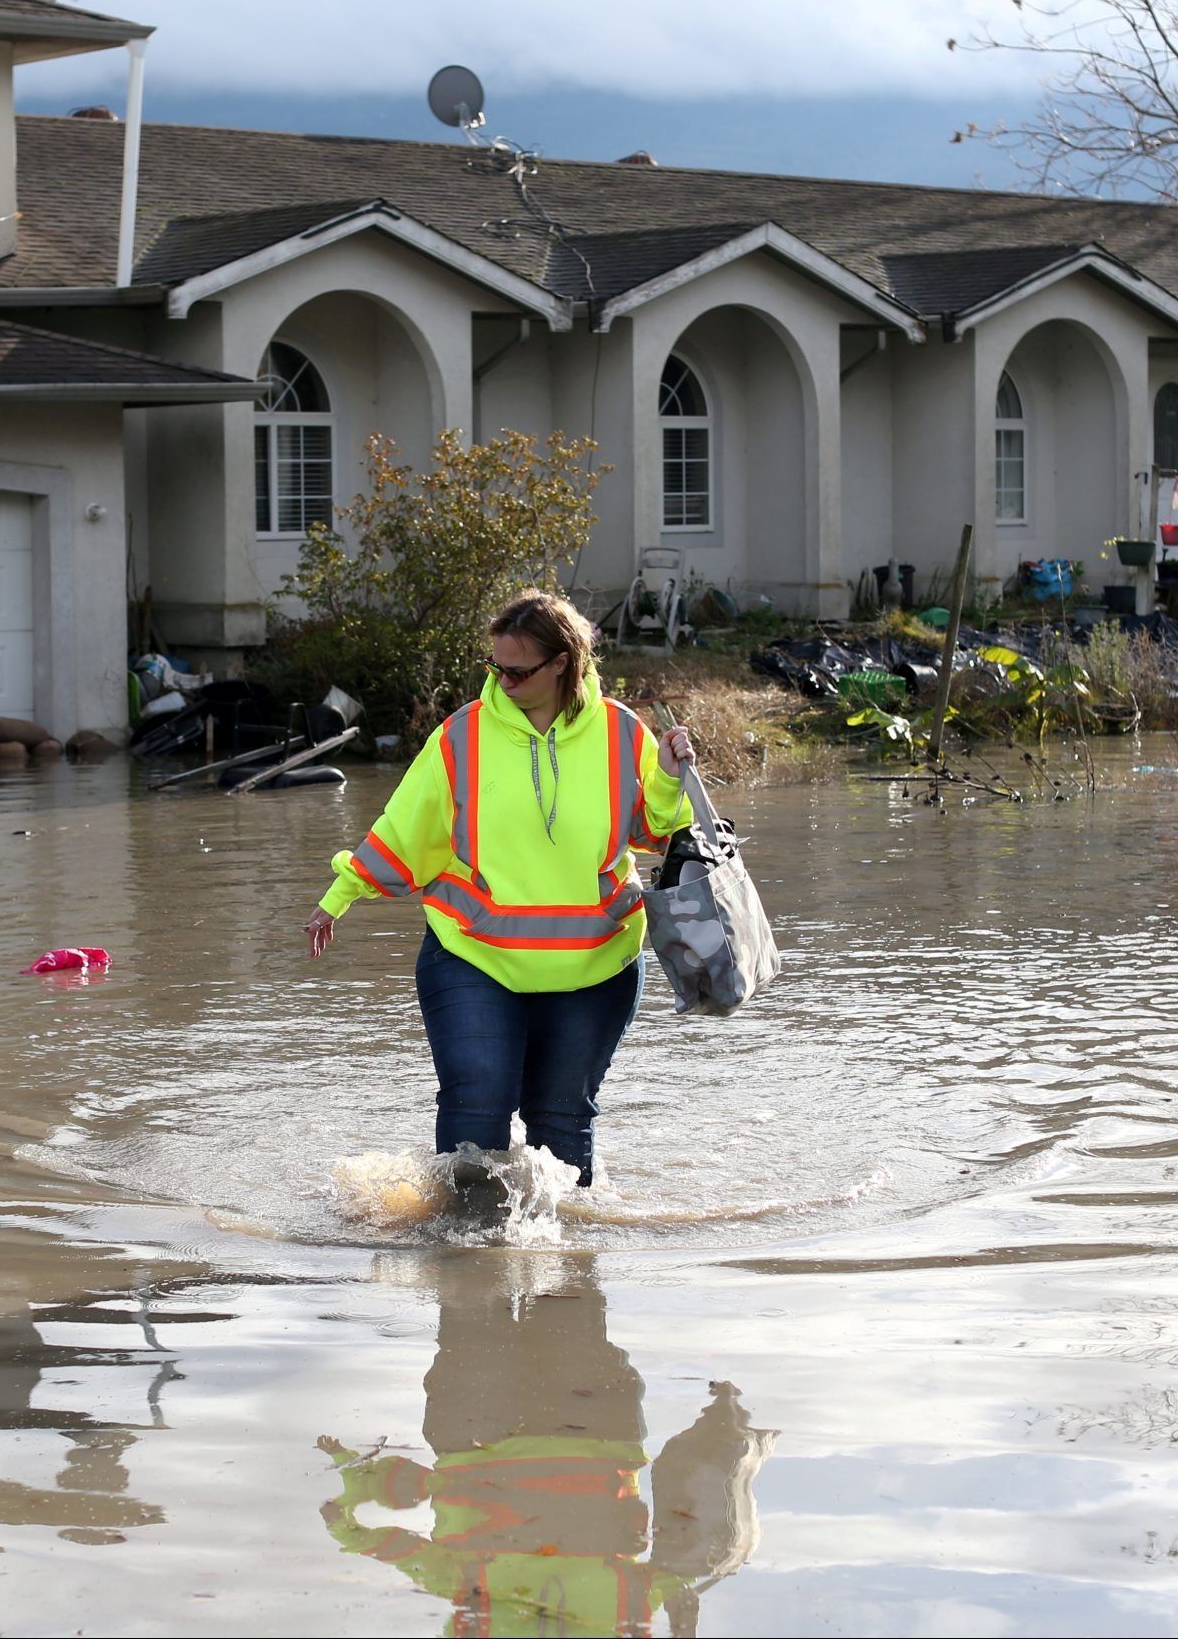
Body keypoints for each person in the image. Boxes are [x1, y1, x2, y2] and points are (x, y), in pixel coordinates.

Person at [304, 589, 695, 1186]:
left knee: (562, 1126)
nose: (503, 681)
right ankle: (460, 1263)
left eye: (517, 671)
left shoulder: (621, 732)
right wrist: (338, 897)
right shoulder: (462, 735)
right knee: (475, 1118)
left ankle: (566, 1275)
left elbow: (658, 833)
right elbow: (406, 829)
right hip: (474, 955)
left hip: (595, 964)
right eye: (495, 668)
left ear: (562, 663)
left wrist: (668, 776)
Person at [318, 1251, 776, 1637]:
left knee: (562, 1254)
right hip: (479, 1427)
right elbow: (405, 1551)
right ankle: (496, 1185)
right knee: (473, 1259)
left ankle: (533, 1189)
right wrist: (347, 1530)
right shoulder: (475, 1618)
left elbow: (687, 1563)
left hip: (591, 1430)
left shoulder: (625, 1620)